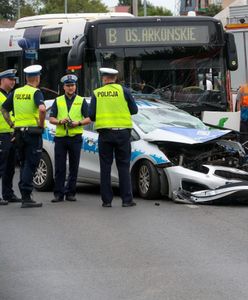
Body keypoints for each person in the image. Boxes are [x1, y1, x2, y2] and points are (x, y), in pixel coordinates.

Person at [89, 67, 138, 208]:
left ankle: (106, 201)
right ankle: (127, 200)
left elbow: (91, 115)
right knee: (123, 166)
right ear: (115, 78)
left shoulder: (97, 93)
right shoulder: (124, 91)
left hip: (105, 134)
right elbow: (134, 110)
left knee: (105, 167)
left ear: (104, 79)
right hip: (123, 134)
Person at [1, 65, 46, 208]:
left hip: (18, 133)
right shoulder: (36, 92)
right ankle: (26, 195)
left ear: (26, 78)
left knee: (23, 162)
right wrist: (41, 124)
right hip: (32, 133)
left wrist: (12, 124)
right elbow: (42, 109)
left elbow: (4, 109)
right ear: (37, 78)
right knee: (31, 163)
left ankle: (22, 193)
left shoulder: (16, 92)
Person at [49, 74, 91, 203]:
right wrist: (61, 121)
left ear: (75, 86)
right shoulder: (58, 100)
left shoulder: (81, 100)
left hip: (75, 137)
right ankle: (58, 194)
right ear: (64, 87)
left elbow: (89, 118)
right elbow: (51, 118)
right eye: (68, 86)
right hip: (61, 138)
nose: (70, 88)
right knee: (60, 167)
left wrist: (77, 123)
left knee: (74, 166)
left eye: (72, 85)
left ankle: (71, 193)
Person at [0, 69, 21, 205]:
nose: (13, 82)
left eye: (14, 79)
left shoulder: (12, 95)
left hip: (12, 134)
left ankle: (8, 193)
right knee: (0, 166)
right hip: (1, 134)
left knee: (10, 167)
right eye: (10, 79)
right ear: (2, 80)